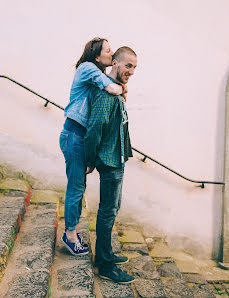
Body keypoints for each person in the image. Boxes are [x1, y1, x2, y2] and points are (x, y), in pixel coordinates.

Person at [60, 38, 127, 256]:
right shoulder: (88, 67)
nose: (112, 52)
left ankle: (72, 230)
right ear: (97, 56)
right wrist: (121, 87)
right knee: (76, 187)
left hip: (79, 136)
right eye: (108, 50)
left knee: (79, 186)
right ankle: (70, 234)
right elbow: (111, 88)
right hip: (74, 134)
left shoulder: (96, 75)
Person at [85, 46, 138, 283]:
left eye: (135, 67)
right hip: (109, 160)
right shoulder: (106, 93)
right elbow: (94, 128)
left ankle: (106, 254)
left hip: (117, 157)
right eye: (128, 65)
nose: (132, 71)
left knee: (113, 207)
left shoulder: (115, 91)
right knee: (108, 212)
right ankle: (105, 265)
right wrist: (90, 159)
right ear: (114, 63)